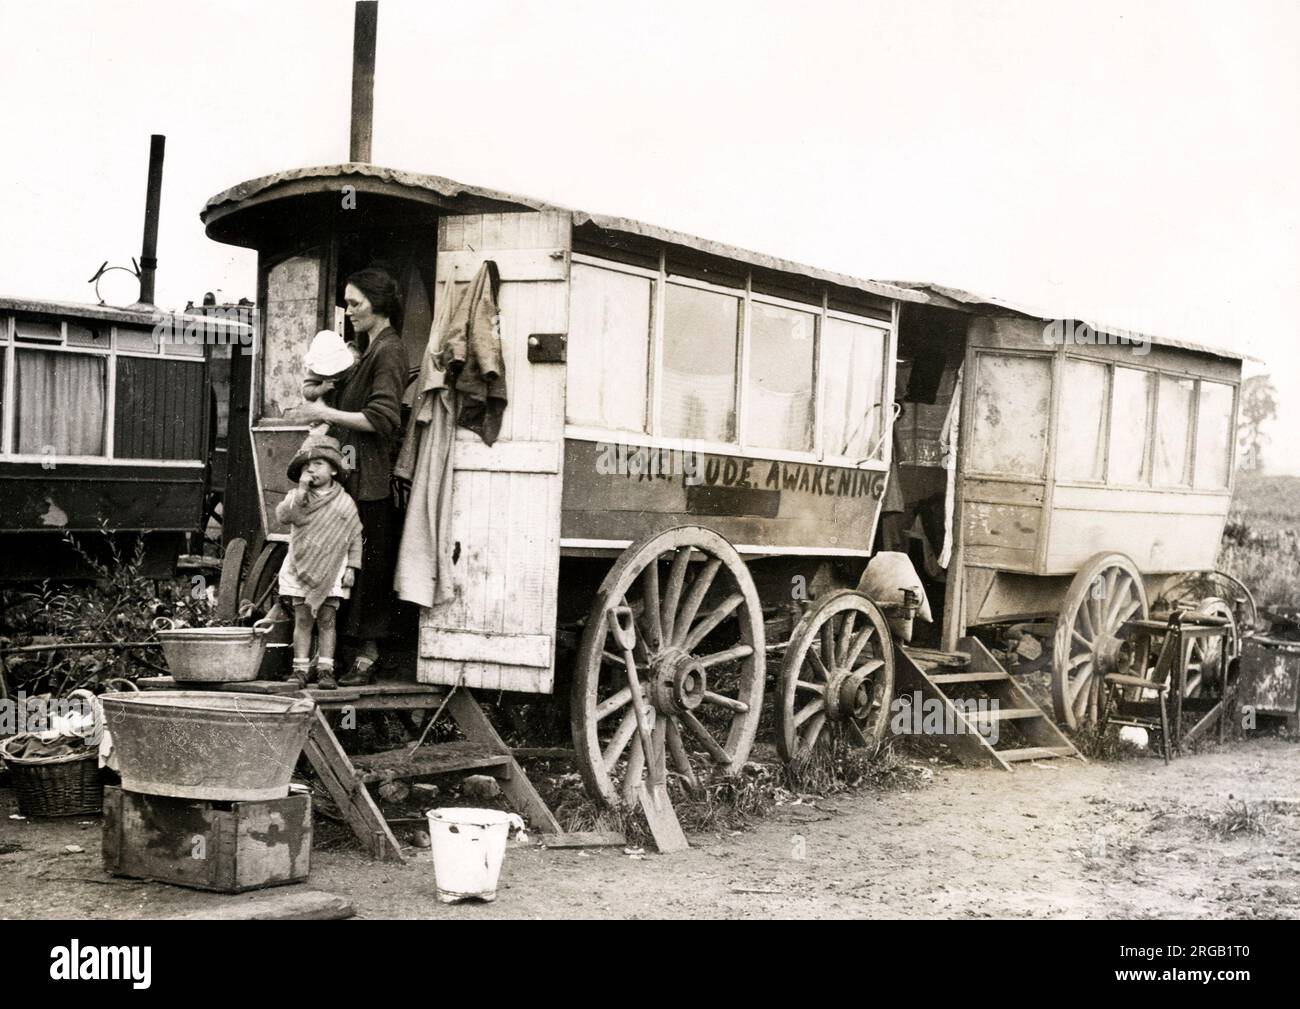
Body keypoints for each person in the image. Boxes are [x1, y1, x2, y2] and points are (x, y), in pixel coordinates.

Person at [291, 267, 409, 684]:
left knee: (368, 564)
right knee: (339, 561)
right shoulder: (362, 349)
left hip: (370, 476)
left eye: (356, 303)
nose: (350, 311)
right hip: (346, 473)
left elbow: (383, 418)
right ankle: (336, 653)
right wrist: (316, 391)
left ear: (378, 304)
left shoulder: (389, 350)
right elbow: (320, 382)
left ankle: (369, 653)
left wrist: (324, 413)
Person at [275, 433, 363, 690]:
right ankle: (300, 669)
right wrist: (300, 489)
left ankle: (326, 670)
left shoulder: (344, 502)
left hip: (332, 569)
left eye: (318, 464)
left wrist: (352, 567)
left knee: (327, 620)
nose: (311, 470)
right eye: (306, 466)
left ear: (334, 470)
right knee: (303, 620)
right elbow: (284, 515)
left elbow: (354, 535)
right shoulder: (298, 497)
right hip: (301, 567)